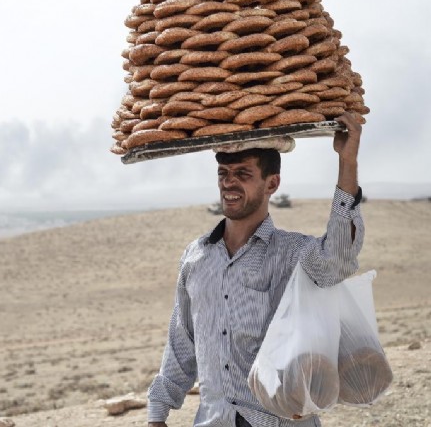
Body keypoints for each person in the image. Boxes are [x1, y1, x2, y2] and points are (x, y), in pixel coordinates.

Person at [147, 112, 364, 427]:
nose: (229, 182)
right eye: (224, 173)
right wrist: (157, 413)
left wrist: (348, 162)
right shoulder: (196, 257)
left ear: (272, 183)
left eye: (243, 173)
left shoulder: (293, 254)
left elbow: (338, 260)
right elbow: (183, 340)